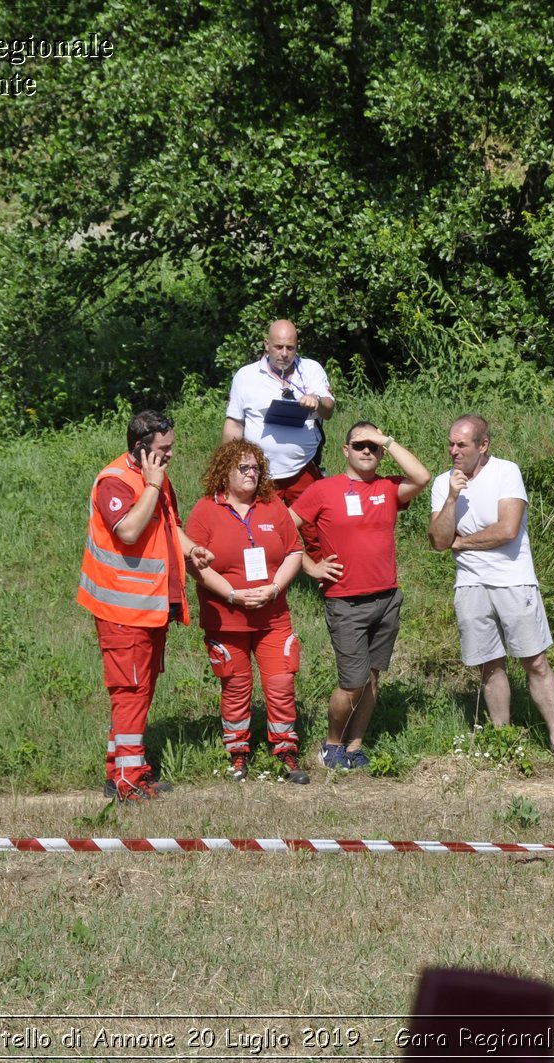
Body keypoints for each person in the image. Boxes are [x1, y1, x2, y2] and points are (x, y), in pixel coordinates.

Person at [78, 410, 213, 802]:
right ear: (141, 449)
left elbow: (169, 527)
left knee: (140, 690)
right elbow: (131, 530)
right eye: (164, 449)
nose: (171, 455)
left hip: (151, 607)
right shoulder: (114, 482)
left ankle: (118, 770)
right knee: (130, 692)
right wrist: (152, 486)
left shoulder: (155, 478)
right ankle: (128, 780)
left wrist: (192, 551)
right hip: (123, 611)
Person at [291, 422, 431, 770]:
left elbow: (422, 477)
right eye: (359, 445)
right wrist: (310, 566)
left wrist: (388, 439)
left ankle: (354, 746)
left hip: (386, 598)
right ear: (345, 451)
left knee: (371, 678)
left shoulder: (387, 488)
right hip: (345, 601)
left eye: (374, 446)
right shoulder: (323, 490)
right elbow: (282, 528)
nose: (367, 451)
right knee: (352, 681)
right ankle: (331, 744)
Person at [429, 414, 554, 757]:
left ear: (483, 445)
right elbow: (438, 540)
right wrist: (450, 499)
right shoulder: (442, 482)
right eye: (451, 444)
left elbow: (507, 529)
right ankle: (502, 739)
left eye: (462, 444)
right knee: (489, 664)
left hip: (513, 581)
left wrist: (462, 543)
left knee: (534, 660)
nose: (454, 451)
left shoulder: (506, 472)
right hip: (470, 585)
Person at [185, 440, 309, 784]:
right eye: (244, 468)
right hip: (226, 618)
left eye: (256, 467)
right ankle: (238, 752)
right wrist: (233, 595)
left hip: (272, 617)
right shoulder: (204, 511)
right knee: (236, 686)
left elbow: (294, 552)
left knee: (281, 681)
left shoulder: (273, 506)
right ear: (225, 472)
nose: (252, 473)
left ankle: (285, 750)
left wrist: (273, 589)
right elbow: (194, 565)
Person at [222, 319, 336, 507]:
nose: (284, 354)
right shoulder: (246, 376)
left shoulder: (311, 369)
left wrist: (317, 400)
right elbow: (234, 424)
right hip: (259, 472)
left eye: (290, 348)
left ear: (297, 346)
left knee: (314, 530)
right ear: (267, 345)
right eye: (278, 347)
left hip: (304, 468)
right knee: (264, 529)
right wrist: (228, 466)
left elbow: (329, 410)